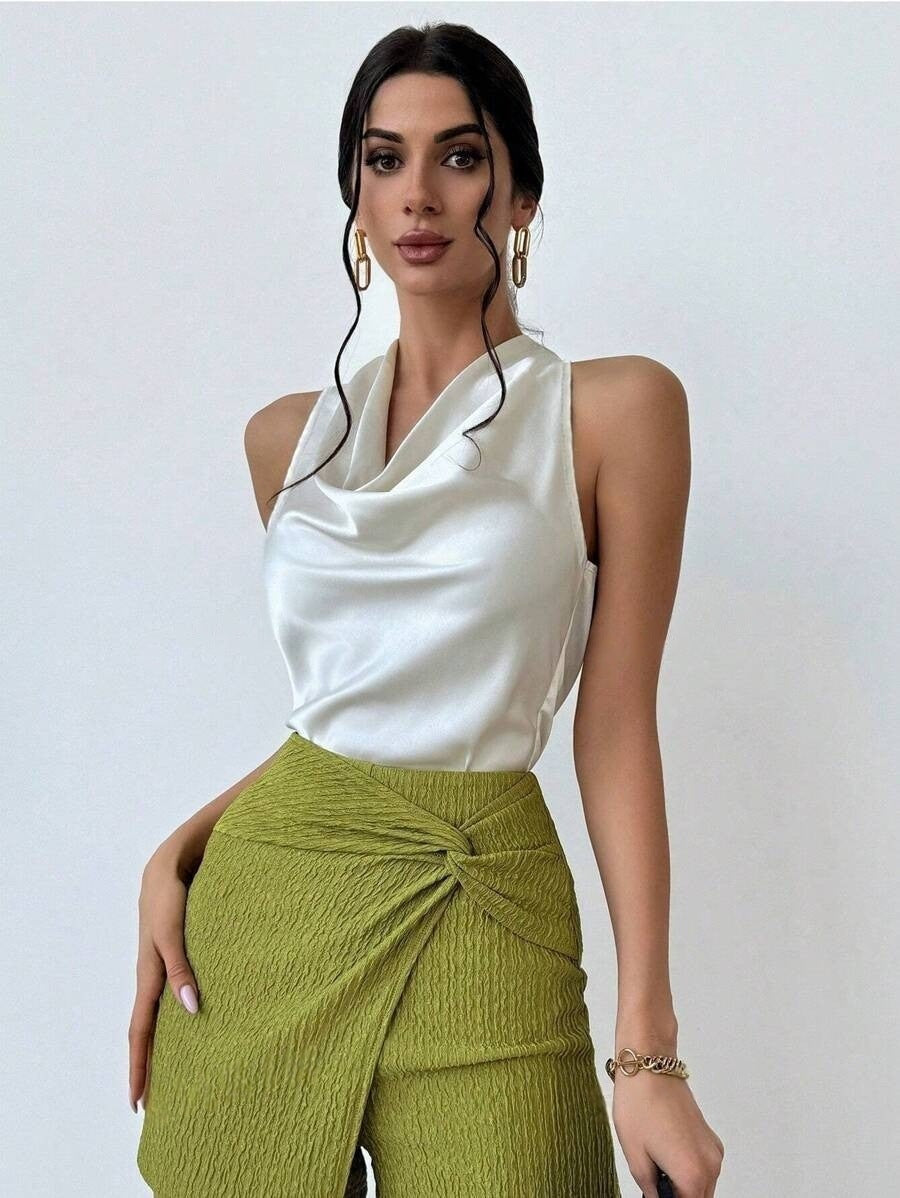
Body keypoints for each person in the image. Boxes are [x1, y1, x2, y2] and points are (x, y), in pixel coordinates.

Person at [129, 21, 724, 1198]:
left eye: (459, 156)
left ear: (522, 195)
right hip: (264, 920)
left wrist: (647, 1051)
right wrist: (182, 844)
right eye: (383, 158)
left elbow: (614, 724)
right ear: (353, 196)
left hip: (486, 904)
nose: (418, 194)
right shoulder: (286, 442)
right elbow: (355, 713)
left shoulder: (614, 412)